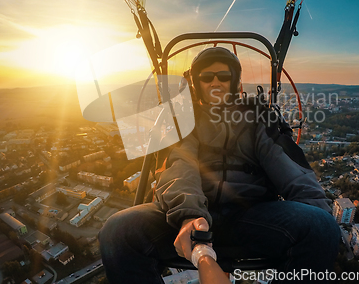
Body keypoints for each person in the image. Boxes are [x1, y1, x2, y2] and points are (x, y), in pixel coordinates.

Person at [99, 47, 341, 283]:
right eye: (207, 77)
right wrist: (190, 215)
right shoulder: (180, 118)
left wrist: (319, 219)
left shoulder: (257, 117)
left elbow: (288, 167)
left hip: (250, 216)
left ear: (234, 81)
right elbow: (178, 166)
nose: (215, 82)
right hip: (186, 220)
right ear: (196, 83)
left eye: (223, 76)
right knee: (119, 230)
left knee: (320, 227)